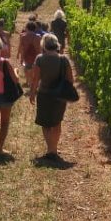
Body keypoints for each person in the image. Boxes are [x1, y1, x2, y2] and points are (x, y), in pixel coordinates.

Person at [29, 33, 74, 162]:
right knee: (57, 122)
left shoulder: (40, 59)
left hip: (44, 95)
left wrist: (32, 92)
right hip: (59, 96)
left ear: (44, 45)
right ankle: (53, 149)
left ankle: (51, 150)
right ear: (56, 44)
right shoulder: (64, 59)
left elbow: (35, 78)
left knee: (46, 123)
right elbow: (70, 79)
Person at [17, 21, 41, 86]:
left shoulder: (23, 37)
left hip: (26, 56)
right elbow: (40, 48)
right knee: (34, 70)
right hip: (36, 56)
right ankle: (33, 82)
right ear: (35, 28)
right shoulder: (38, 37)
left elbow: (22, 48)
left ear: (27, 28)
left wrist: (21, 58)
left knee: (27, 69)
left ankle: (29, 82)